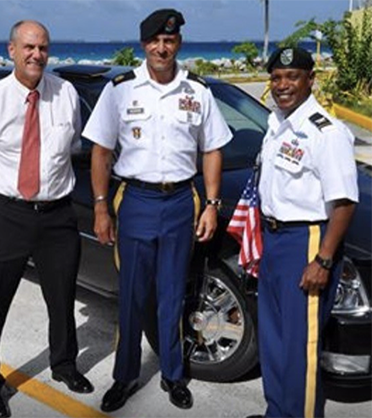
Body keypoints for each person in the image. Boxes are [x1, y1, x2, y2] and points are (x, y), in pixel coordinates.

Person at [82, 8, 232, 413]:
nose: (162, 47)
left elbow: (213, 148)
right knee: (131, 295)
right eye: (155, 41)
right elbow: (99, 150)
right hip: (137, 201)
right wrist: (100, 207)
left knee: (172, 295)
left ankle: (173, 374)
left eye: (169, 40)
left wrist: (213, 204)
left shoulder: (197, 91)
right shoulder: (120, 89)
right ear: (144, 44)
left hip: (182, 201)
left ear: (178, 43)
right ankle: (125, 376)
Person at [0, 20, 93, 418]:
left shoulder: (65, 93)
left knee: (62, 299)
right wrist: (12, 188)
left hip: (57, 217)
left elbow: (71, 146)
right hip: (8, 216)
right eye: (29, 47)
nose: (37, 55)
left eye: (43, 48)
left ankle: (64, 364)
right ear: (13, 50)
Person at [246, 47, 358, 418]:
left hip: (306, 242)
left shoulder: (325, 132)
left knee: (300, 347)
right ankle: (277, 412)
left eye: (292, 76)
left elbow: (343, 203)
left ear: (311, 79)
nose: (283, 85)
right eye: (277, 77)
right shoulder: (277, 123)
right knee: (274, 342)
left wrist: (323, 259)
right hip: (275, 241)